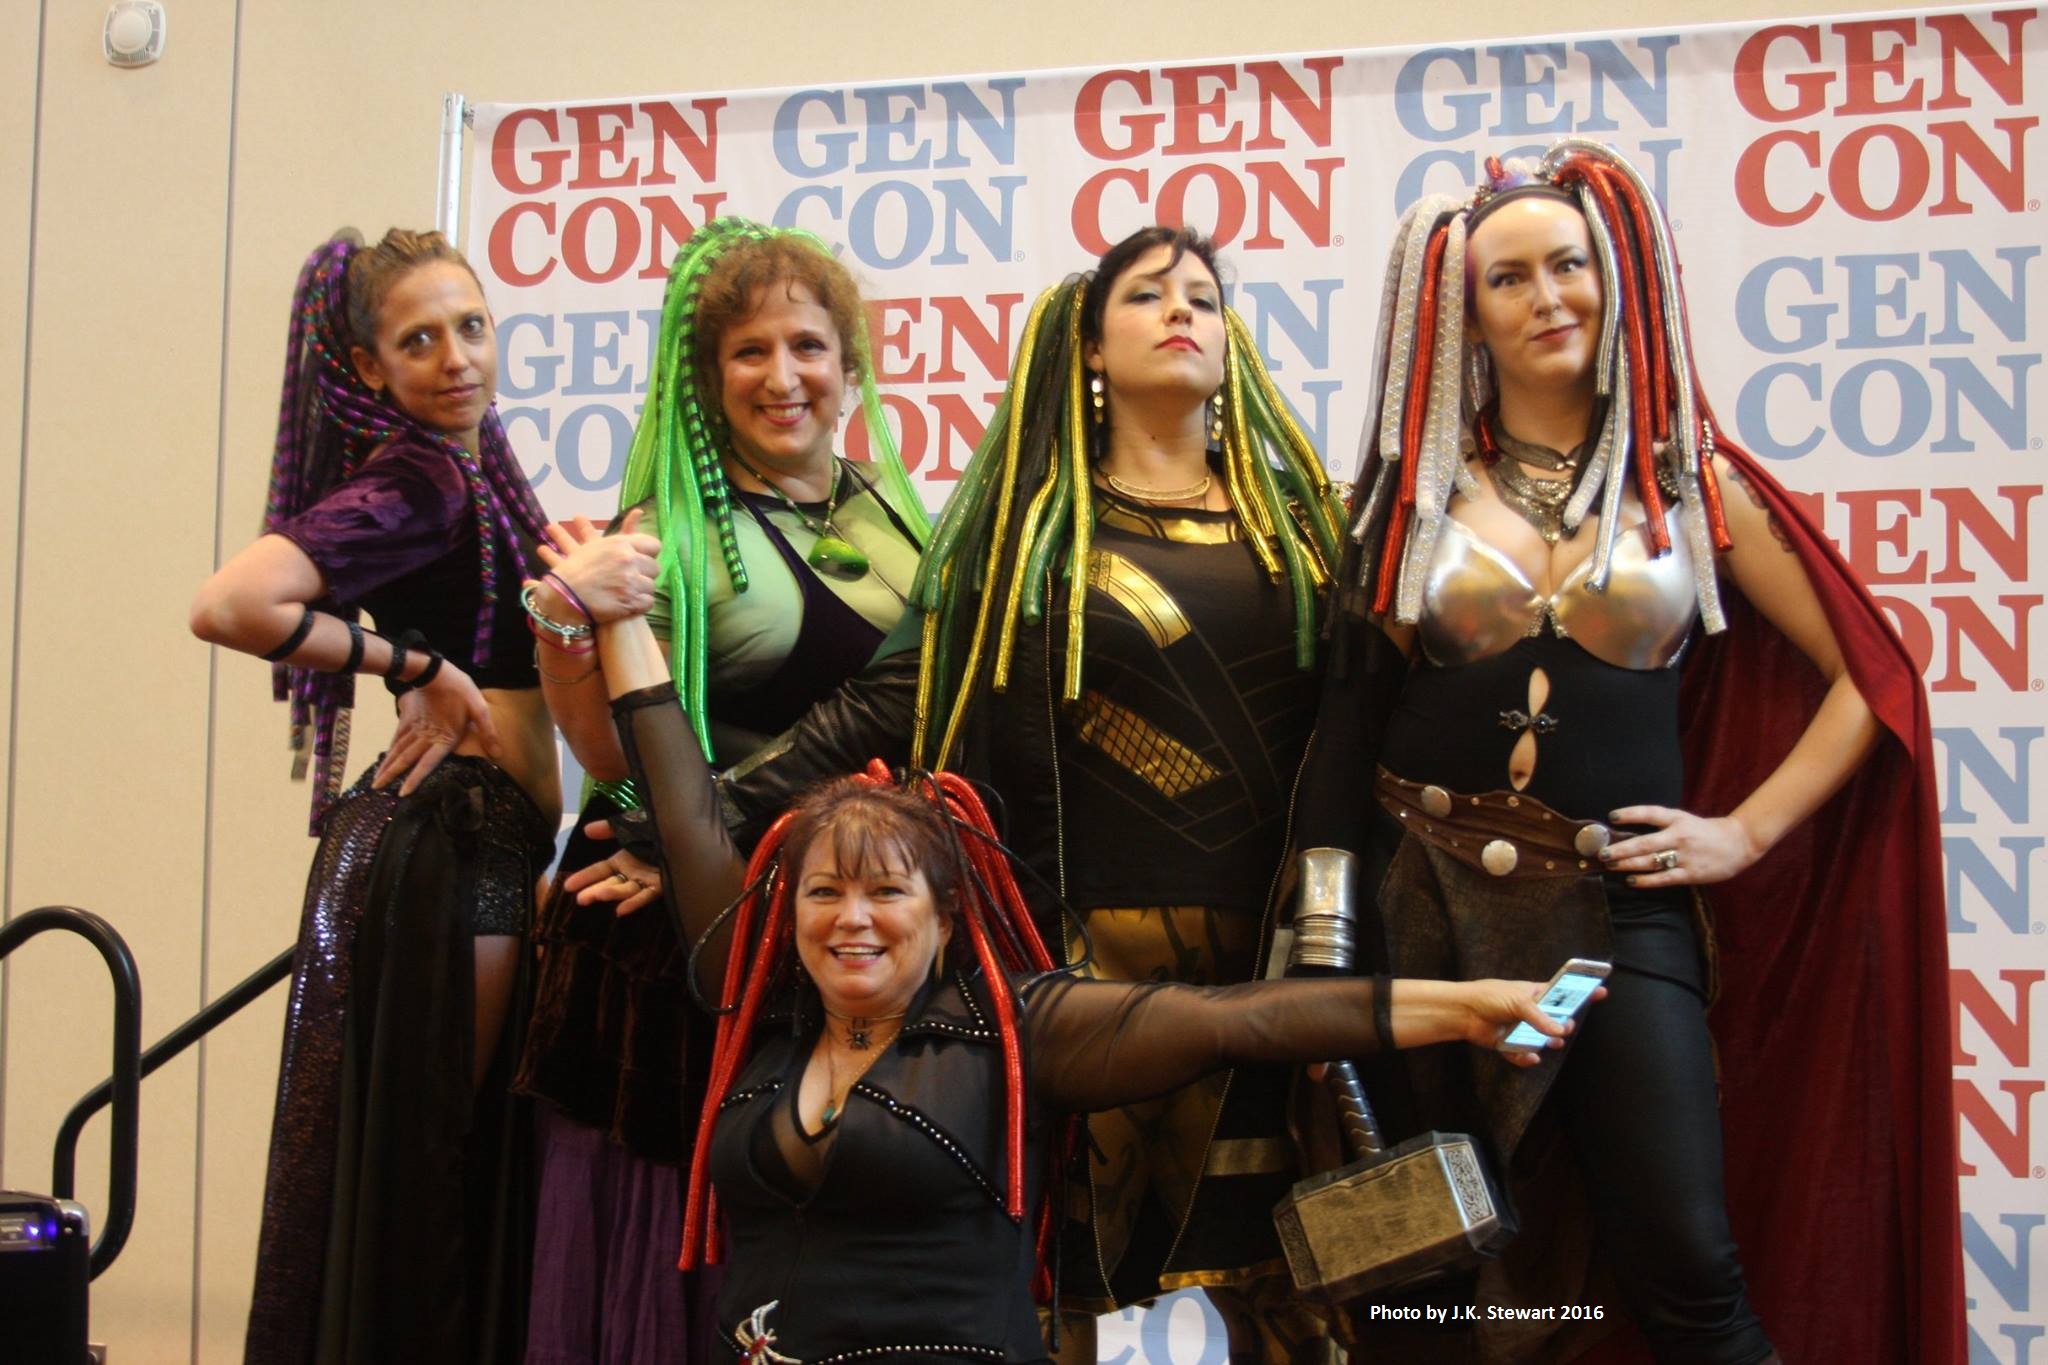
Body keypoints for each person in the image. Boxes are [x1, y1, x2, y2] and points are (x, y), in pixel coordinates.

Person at [594, 225, 1349, 1359]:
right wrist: (687, 823)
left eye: (1203, 294)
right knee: (1072, 1280)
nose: (1183, 311)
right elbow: (877, 708)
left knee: (1287, 1273)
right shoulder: (1020, 533)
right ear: (1086, 344)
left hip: (1277, 938)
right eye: (1147, 294)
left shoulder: (1310, 525)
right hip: (1074, 945)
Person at [550, 563, 1583, 1363]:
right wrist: (616, 615)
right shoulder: (760, 1002)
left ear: (947, 917)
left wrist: (1464, 1006)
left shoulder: (1015, 1031)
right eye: (824, 892)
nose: (850, 921)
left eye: (885, 892)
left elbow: (1243, 1020)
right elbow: (686, 812)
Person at [1295, 140, 1960, 1362]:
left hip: (1614, 918)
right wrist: (1315, 949)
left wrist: (1745, 830)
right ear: (1463, 315)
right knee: (1412, 1283)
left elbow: (1870, 679)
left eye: (1569, 265)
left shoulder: (1689, 487)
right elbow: (1342, 735)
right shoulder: (1408, 499)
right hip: (1417, 906)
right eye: (1510, 279)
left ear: (1616, 281)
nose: (1548, 297)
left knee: (1686, 1268)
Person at [512, 218, 928, 1365]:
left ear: (852, 366)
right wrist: (563, 621)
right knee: (697, 1281)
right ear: (705, 377)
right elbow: (608, 749)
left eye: (807, 345)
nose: (782, 375)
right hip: (689, 947)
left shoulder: (897, 511)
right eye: (748, 351)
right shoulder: (659, 534)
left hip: (849, 936)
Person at [188, 229, 558, 1363]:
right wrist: (411, 668)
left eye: (472, 326)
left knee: (446, 1164)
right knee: (435, 1172)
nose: (456, 357)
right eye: (418, 339)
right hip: (452, 853)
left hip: (468, 849)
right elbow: (233, 604)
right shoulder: (419, 478)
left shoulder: (470, 464)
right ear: (365, 368)